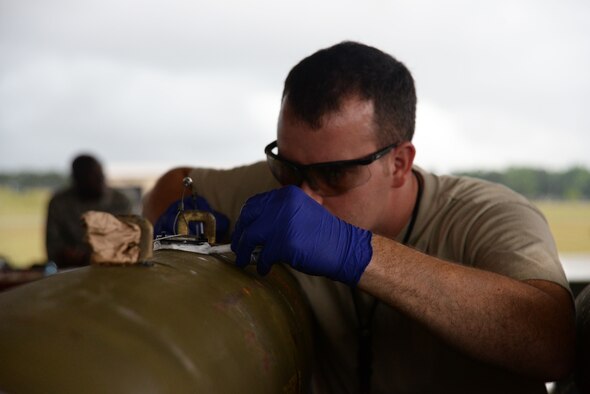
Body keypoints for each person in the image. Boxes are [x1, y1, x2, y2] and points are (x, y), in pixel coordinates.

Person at [144, 42, 575, 393]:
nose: (304, 196)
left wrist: (357, 253)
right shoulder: (285, 186)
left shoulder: (488, 215)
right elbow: (174, 182)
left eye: (335, 174)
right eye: (287, 166)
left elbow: (552, 342)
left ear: (400, 163)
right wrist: (185, 213)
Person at [46, 154, 131, 268]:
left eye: (100, 175)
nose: (99, 180)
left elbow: (129, 243)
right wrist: (66, 255)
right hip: (71, 273)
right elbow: (52, 246)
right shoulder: (60, 203)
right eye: (91, 176)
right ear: (77, 179)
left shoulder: (120, 201)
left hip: (112, 271)